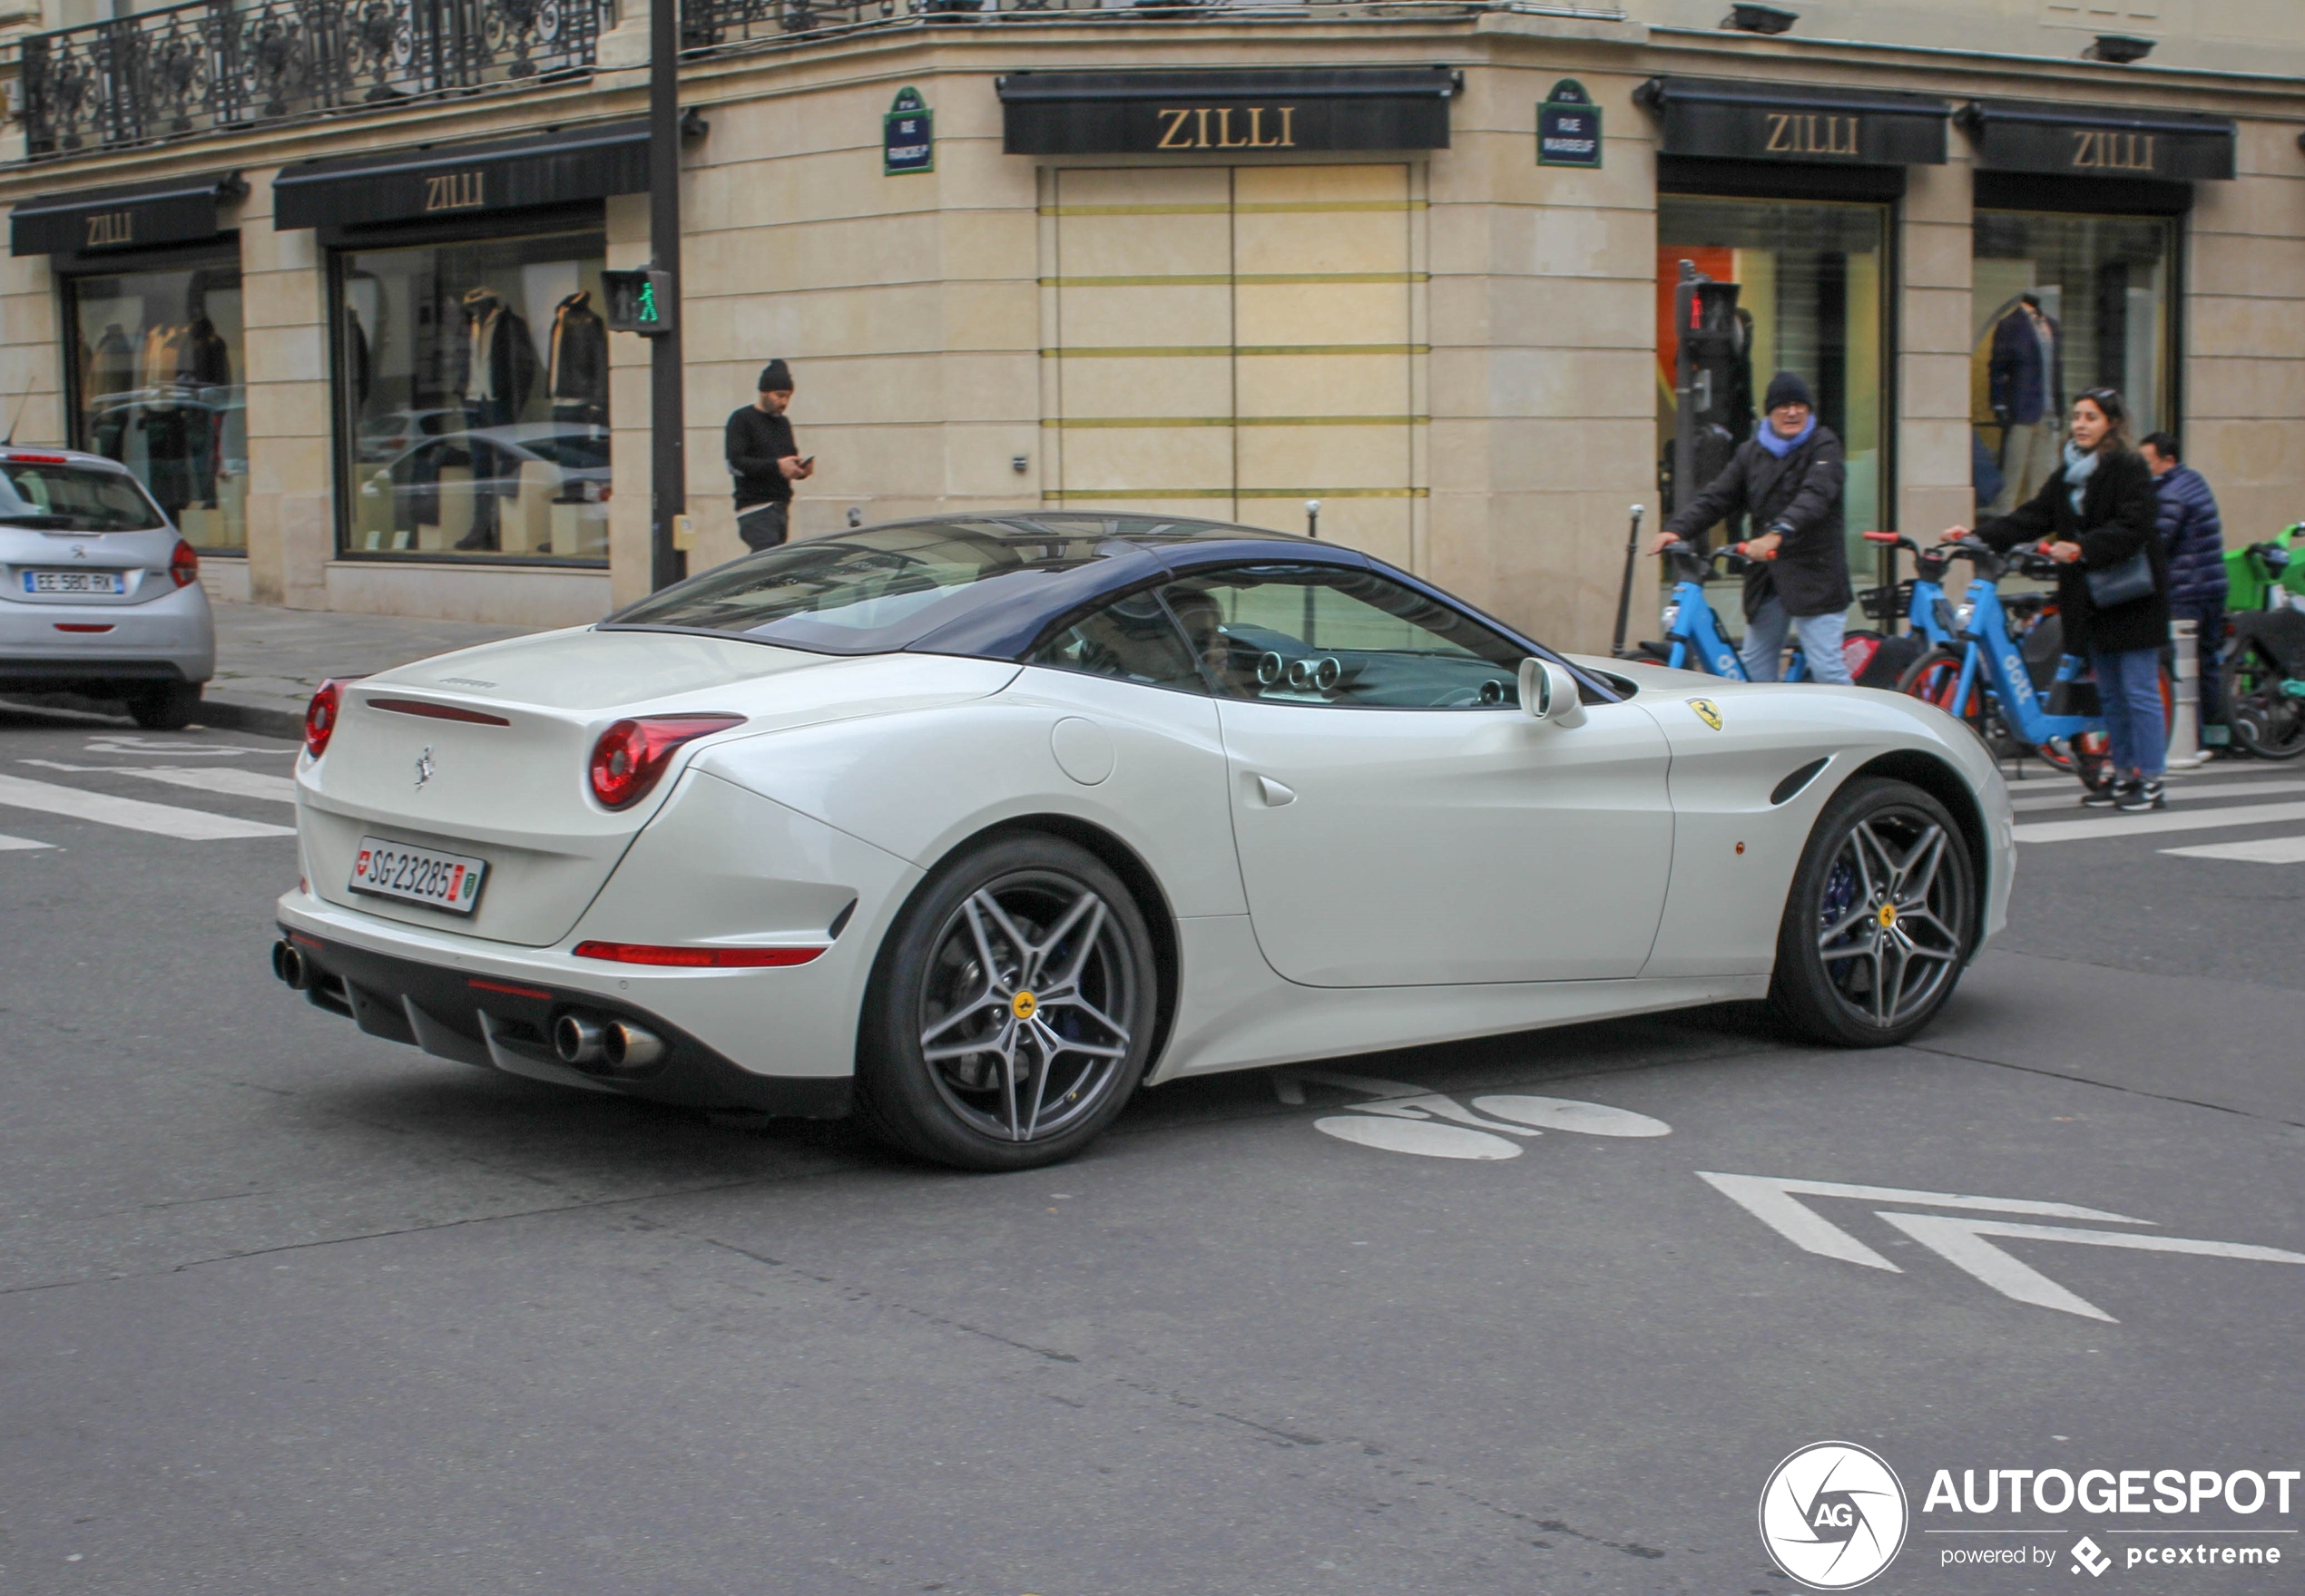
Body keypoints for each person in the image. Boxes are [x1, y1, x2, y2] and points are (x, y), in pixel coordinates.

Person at [1949, 387, 2168, 811]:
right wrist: (1975, 534)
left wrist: (2082, 547)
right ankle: (2123, 776)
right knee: (2111, 694)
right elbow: (2034, 516)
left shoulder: (2128, 466)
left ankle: (2152, 780)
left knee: (2138, 691)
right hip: (2091, 599)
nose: (2081, 425)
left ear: (2111, 424)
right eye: (2077, 417)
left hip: (2132, 596)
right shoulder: (2069, 471)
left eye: (2091, 417)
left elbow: (2136, 524)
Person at [1650, 371, 1853, 685]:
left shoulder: (1823, 446)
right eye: (1783, 406)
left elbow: (1814, 497)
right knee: (1755, 672)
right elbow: (1719, 496)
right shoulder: (1752, 452)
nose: (1792, 412)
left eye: (1800, 405)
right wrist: (1676, 530)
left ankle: (1860, 730)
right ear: (1770, 412)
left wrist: (1777, 533)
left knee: (1827, 667)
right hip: (1768, 577)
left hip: (1815, 575)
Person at [2140, 430, 2230, 750]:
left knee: (2182, 666)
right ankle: (2215, 735)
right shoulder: (2193, 481)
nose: (2143, 469)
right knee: (2207, 662)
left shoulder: (2170, 493)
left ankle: (2187, 737)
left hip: (2186, 590)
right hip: (2210, 586)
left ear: (2168, 461)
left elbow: (2158, 540)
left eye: (2147, 463)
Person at [725, 359, 812, 552]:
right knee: (767, 565)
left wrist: (800, 470)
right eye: (779, 395)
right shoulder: (742, 419)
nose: (784, 402)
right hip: (755, 507)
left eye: (788, 397)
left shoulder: (783, 424)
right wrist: (777, 466)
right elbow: (735, 462)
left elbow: (788, 460)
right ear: (764, 392)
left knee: (773, 565)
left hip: (780, 506)